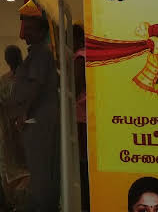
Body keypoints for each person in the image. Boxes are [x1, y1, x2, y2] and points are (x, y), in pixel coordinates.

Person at [13, 8, 59, 212]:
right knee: (38, 165)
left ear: (41, 32)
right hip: (37, 117)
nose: (26, 34)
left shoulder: (41, 53)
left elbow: (36, 85)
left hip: (38, 118)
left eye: (30, 29)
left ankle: (41, 206)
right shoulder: (37, 53)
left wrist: (23, 111)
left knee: (40, 165)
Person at [0, 45, 29, 211]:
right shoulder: (27, 80)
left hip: (9, 135)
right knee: (21, 171)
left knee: (9, 173)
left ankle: (17, 204)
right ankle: (18, 204)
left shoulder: (1, 83)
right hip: (19, 133)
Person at [73, 25, 89, 211]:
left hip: (81, 114)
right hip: (85, 114)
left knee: (82, 161)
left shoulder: (80, 57)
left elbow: (76, 84)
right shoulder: (87, 55)